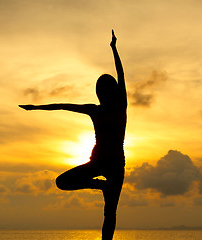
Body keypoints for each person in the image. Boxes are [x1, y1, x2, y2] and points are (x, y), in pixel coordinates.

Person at [19, 30, 127, 240]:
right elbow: (63, 105)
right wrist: (35, 107)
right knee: (62, 182)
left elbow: (121, 75)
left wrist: (114, 48)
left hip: (116, 166)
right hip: (97, 163)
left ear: (112, 92)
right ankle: (102, 186)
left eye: (108, 92)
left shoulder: (121, 105)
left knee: (110, 213)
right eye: (101, 93)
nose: (104, 96)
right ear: (99, 94)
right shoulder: (94, 109)